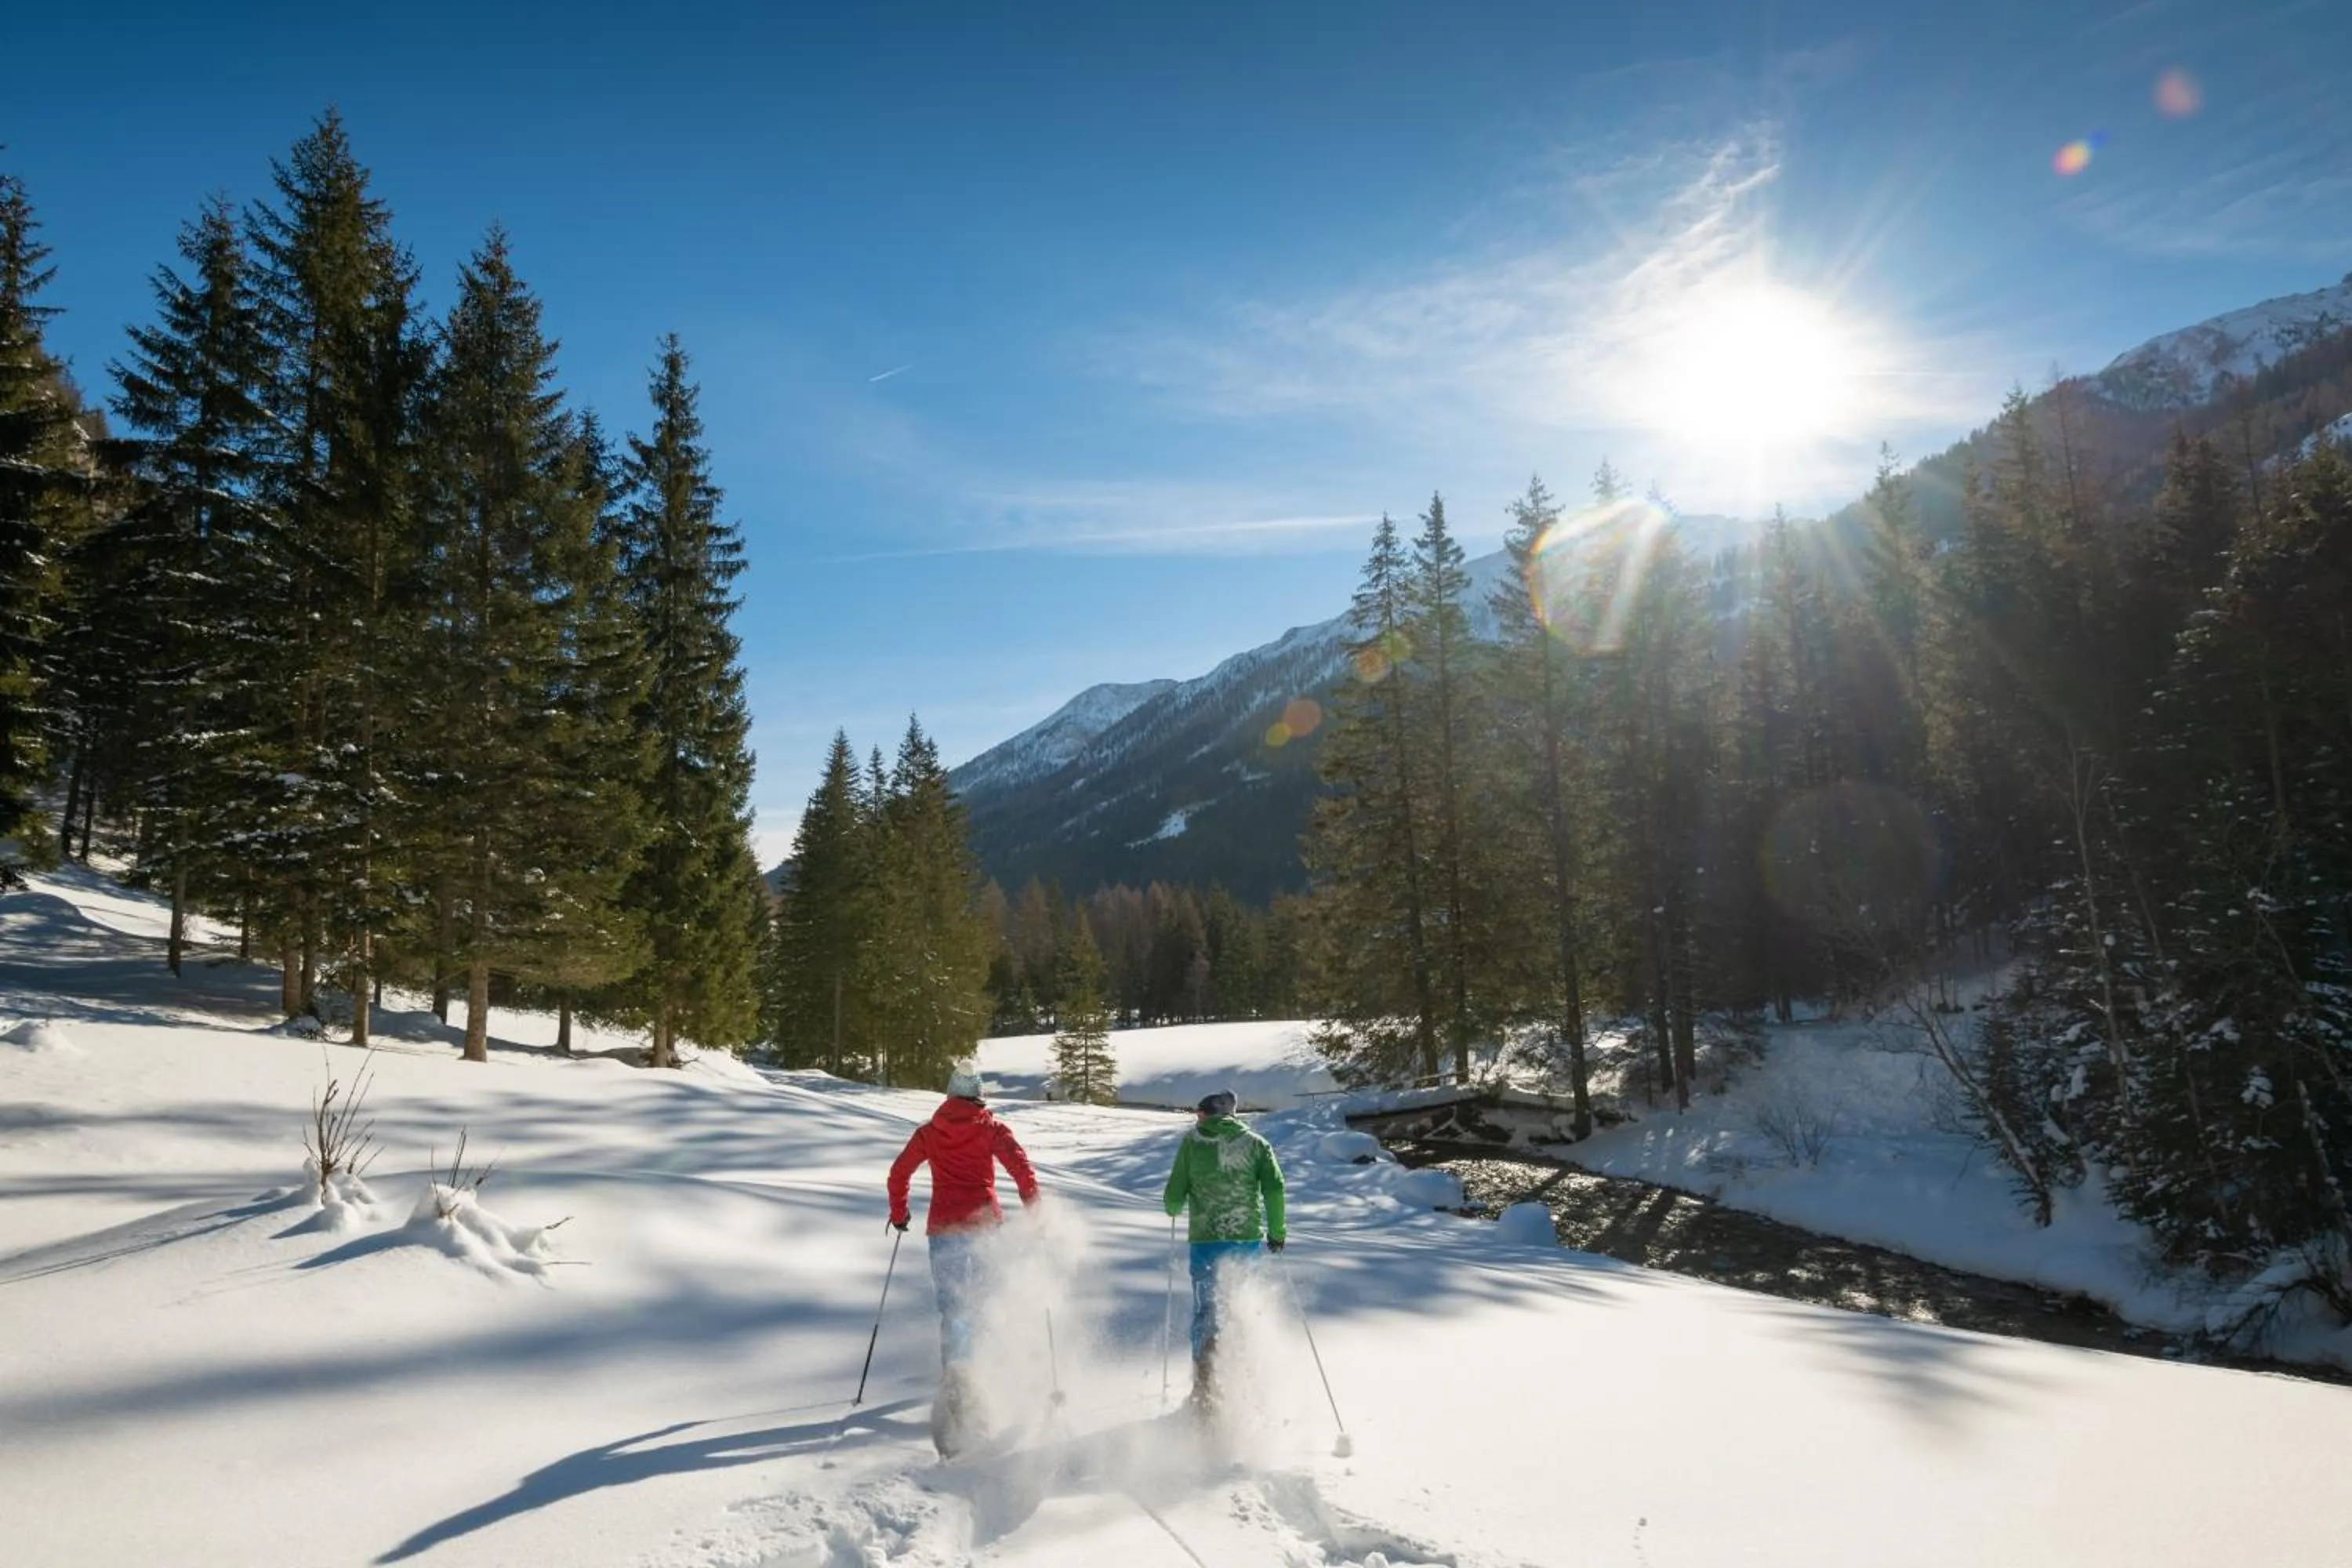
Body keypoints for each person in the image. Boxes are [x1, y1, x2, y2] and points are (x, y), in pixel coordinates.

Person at [887, 1063, 1040, 1455]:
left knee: (954, 1308)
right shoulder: (991, 1129)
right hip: (984, 1227)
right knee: (988, 1300)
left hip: (944, 1230)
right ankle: (981, 1373)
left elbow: (898, 1173)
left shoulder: (930, 1132)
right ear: (978, 1096)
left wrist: (900, 1213)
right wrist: (1036, 1213)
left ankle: (958, 1379)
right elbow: (1022, 1170)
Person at [1162, 1087, 1287, 1415]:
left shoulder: (1193, 1144)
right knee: (1239, 1306)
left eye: (1200, 1112)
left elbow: (1173, 1196)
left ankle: (1205, 1392)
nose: (1196, 1118)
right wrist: (1277, 1233)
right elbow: (1274, 1188)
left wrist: (1173, 1205)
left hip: (1206, 1242)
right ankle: (1242, 1383)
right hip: (1245, 1240)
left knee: (1207, 1312)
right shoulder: (1256, 1144)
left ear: (1211, 1113)